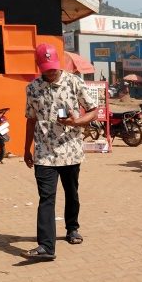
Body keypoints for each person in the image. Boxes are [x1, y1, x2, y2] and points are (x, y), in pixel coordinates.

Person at [23, 44, 98, 261]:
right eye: (47, 69)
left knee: (71, 192)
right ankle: (46, 246)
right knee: (46, 197)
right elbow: (30, 119)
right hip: (44, 152)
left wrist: (77, 121)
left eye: (54, 67)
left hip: (70, 150)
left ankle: (72, 227)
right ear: (40, 66)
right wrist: (26, 148)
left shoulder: (74, 82)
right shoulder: (32, 88)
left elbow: (93, 110)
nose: (52, 72)